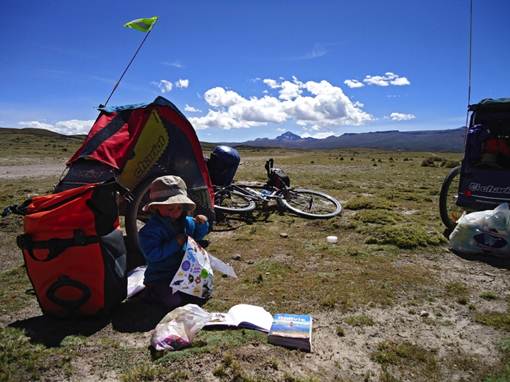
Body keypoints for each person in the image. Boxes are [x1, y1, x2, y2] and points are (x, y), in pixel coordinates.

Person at [139, 175, 209, 309]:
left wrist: (202, 224)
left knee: (200, 293)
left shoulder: (186, 222)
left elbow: (197, 237)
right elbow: (153, 255)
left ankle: (182, 292)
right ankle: (150, 292)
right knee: (173, 301)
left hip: (185, 272)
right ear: (156, 208)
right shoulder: (150, 231)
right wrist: (175, 243)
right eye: (170, 209)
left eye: (179, 208)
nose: (175, 213)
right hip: (160, 277)